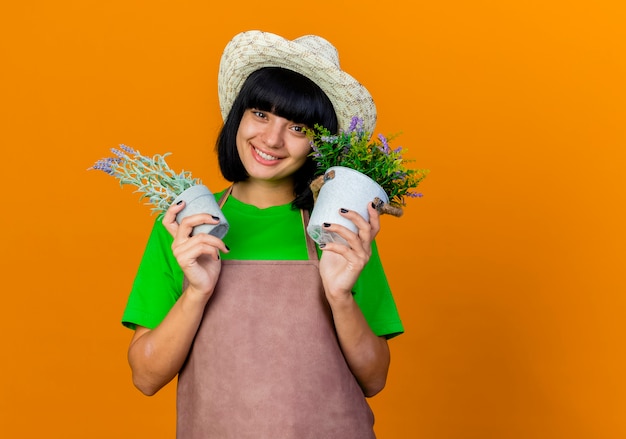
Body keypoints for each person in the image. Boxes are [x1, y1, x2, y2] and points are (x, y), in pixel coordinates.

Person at [122, 30, 404, 438]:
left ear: (319, 145)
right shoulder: (184, 226)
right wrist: (196, 293)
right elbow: (145, 377)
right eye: (260, 114)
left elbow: (375, 379)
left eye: (299, 128)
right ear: (239, 115)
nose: (271, 139)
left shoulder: (341, 230)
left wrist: (340, 297)